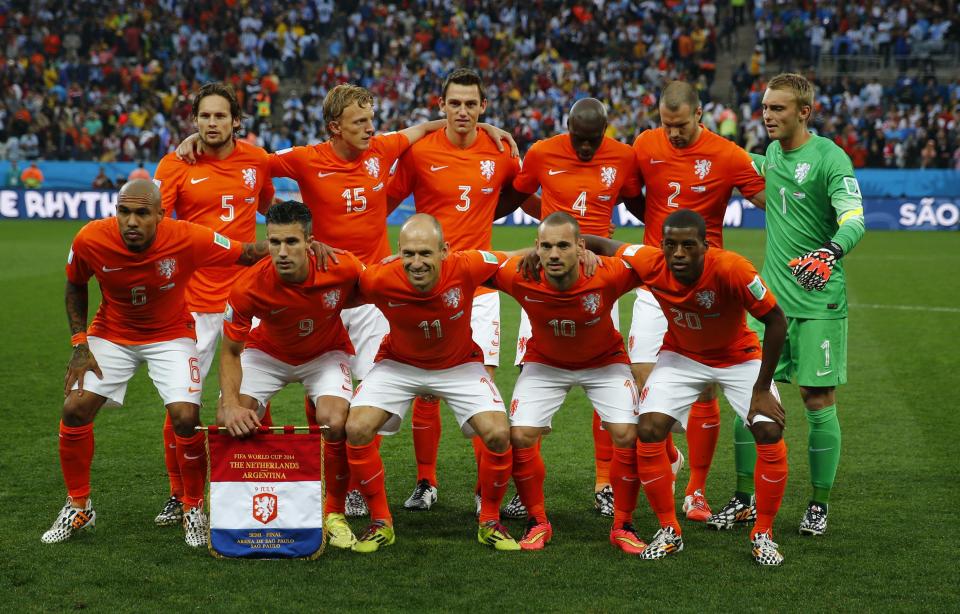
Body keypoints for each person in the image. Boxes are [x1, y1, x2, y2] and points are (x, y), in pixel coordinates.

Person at [178, 83, 516, 518]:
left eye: (372, 120)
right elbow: (252, 160)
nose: (370, 130)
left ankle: (356, 488)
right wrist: (198, 142)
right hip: (324, 292)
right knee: (322, 383)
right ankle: (268, 484)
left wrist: (483, 125)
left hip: (370, 293)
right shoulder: (305, 159)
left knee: (363, 396)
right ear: (335, 127)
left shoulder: (383, 148)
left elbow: (425, 127)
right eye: (360, 122)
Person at [42, 179, 267, 548]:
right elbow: (74, 284)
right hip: (112, 333)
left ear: (161, 215)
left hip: (171, 334)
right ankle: (79, 504)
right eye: (124, 212)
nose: (131, 221)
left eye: (142, 213)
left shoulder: (188, 237)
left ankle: (193, 507)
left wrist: (299, 244)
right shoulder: (90, 239)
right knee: (75, 410)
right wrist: (80, 343)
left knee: (185, 417)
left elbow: (246, 252)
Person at [585, 209, 790, 566]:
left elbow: (776, 321)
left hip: (738, 358)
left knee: (769, 430)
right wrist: (573, 246)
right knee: (648, 429)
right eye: (671, 245)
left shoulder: (733, 269)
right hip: (681, 356)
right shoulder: (649, 261)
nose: (678, 253)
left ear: (704, 247)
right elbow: (601, 243)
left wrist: (761, 389)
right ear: (661, 245)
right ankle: (669, 530)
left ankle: (764, 533)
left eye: (688, 246)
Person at [711, 73, 865, 536]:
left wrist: (830, 251)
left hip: (819, 302)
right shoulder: (771, 156)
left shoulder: (830, 159)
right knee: (749, 398)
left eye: (778, 109)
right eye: (764, 108)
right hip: (768, 306)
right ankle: (742, 499)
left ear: (804, 112)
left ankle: (818, 504)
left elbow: (854, 218)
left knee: (816, 399)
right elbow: (724, 157)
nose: (767, 116)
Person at [499, 97, 644, 519]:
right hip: (548, 272)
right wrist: (536, 235)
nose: (585, 149)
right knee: (533, 371)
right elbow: (517, 196)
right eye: (578, 141)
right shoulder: (544, 151)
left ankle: (604, 483)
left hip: (601, 280)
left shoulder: (623, 156)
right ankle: (522, 488)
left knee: (607, 378)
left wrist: (611, 248)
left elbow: (638, 205)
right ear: (567, 129)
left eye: (593, 141)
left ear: (606, 131)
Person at [629, 80, 766, 523]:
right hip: (656, 283)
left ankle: (696, 491)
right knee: (639, 375)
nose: (673, 134)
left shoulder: (727, 155)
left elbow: (767, 201)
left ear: (700, 114)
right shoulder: (645, 144)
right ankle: (669, 455)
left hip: (708, 289)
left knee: (705, 384)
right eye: (666, 125)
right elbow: (635, 197)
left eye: (681, 125)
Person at [386, 68, 521, 513]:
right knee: (426, 389)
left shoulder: (500, 151)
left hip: (478, 291)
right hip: (423, 287)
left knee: (481, 385)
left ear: (484, 108)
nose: (462, 111)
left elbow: (520, 194)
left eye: (471, 104)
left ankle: (487, 487)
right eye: (454, 103)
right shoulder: (420, 151)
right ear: (440, 106)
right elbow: (382, 203)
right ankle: (427, 482)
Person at [344, 214, 521, 553]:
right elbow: (341, 287)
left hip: (458, 365)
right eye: (408, 254)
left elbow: (516, 257)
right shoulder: (380, 278)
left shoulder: (467, 266)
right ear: (398, 253)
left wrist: (574, 253)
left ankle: (489, 520)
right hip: (399, 365)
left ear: (445, 251)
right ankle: (381, 521)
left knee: (499, 434)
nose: (416, 262)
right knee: (357, 427)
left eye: (425, 253)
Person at [151, 82, 276, 528]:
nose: (211, 123)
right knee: (183, 402)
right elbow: (157, 228)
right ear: (195, 120)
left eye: (220, 116)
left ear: (236, 120)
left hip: (247, 302)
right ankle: (178, 494)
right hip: (192, 305)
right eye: (204, 116)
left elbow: (269, 209)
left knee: (251, 395)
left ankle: (250, 484)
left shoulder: (257, 161)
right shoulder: (175, 165)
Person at [490, 212, 646, 553]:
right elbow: (463, 265)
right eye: (546, 246)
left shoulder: (607, 273)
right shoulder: (521, 274)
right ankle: (537, 521)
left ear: (580, 247)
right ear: (536, 249)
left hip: (604, 362)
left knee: (627, 435)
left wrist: (604, 247)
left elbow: (649, 258)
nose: (555, 254)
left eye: (564, 245)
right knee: (520, 435)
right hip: (545, 364)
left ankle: (624, 524)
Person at [218, 201, 365, 550]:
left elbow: (377, 286)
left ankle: (334, 512)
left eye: (292, 243)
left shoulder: (341, 266)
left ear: (310, 242)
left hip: (324, 354)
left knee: (334, 421)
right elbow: (230, 351)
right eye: (274, 242)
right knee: (230, 421)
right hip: (267, 354)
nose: (282, 252)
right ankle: (248, 504)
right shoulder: (248, 285)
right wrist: (231, 404)